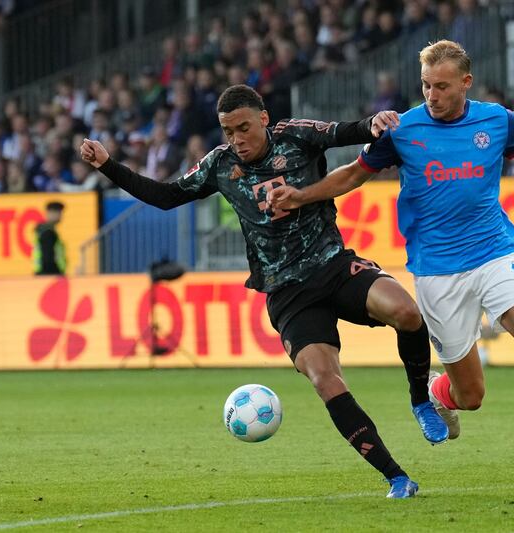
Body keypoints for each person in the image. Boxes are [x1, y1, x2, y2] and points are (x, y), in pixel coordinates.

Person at [268, 40, 514, 496]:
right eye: (426, 85)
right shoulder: (403, 130)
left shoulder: (498, 120)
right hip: (437, 273)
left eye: (442, 86)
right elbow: (352, 174)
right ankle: (439, 394)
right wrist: (303, 196)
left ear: (466, 83)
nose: (432, 95)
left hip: (495, 253)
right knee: (472, 396)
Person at [81, 85, 448, 499]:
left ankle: (420, 401)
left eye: (242, 128)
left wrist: (373, 124)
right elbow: (167, 197)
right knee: (324, 378)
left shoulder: (296, 135)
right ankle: (396, 477)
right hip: (287, 291)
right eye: (227, 130)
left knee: (406, 311)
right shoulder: (219, 165)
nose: (236, 139)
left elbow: (346, 132)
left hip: (333, 264)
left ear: (263, 119)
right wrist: (109, 165)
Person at [33, 201, 67, 275]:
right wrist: (57, 273)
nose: (60, 216)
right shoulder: (48, 232)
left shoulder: (44, 230)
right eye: (59, 213)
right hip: (48, 274)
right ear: (51, 213)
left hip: (44, 273)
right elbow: (48, 258)